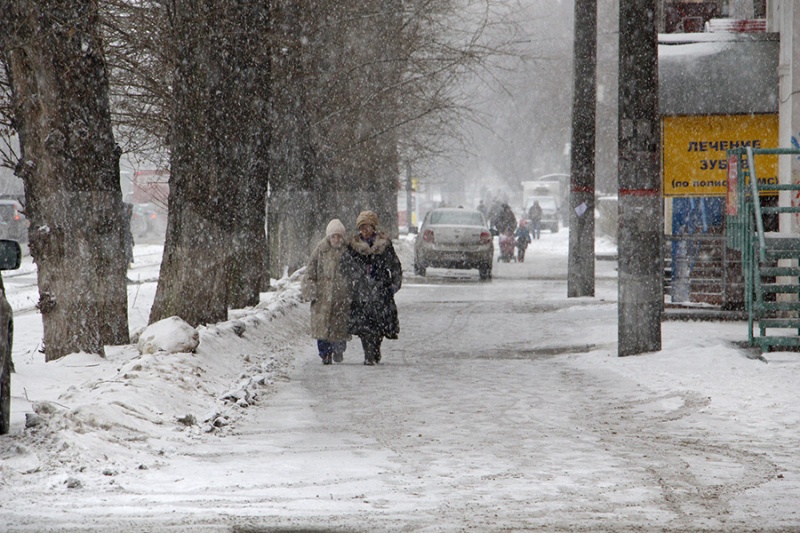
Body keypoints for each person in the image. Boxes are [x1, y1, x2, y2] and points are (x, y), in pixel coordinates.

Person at [346, 210, 402, 365]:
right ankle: (368, 354)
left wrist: (394, 284)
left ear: (373, 227)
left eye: (368, 227)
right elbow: (346, 266)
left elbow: (395, 265)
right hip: (361, 291)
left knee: (379, 324)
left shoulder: (384, 245)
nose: (365, 230)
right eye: (362, 227)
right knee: (364, 326)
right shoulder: (353, 247)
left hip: (381, 290)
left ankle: (375, 349)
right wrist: (354, 278)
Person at [301, 219, 352, 365]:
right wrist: (310, 289)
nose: (336, 239)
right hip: (322, 297)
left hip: (341, 297)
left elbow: (354, 272)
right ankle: (325, 354)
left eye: (339, 236)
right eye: (333, 236)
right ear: (328, 237)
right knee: (322, 327)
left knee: (340, 327)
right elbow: (310, 272)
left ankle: (338, 350)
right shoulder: (320, 251)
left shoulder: (347, 251)